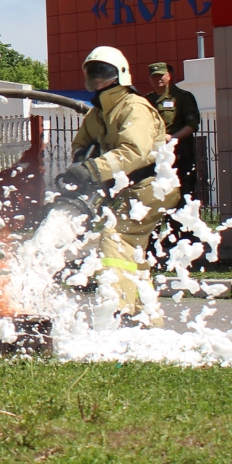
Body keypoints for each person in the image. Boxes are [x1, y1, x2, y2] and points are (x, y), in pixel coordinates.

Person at [54, 45, 179, 326]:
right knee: (131, 248)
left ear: (120, 74)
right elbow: (82, 143)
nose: (98, 79)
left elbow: (135, 152)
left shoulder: (134, 107)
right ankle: (145, 314)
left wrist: (92, 169)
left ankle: (122, 310)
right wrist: (80, 163)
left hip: (150, 186)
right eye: (93, 73)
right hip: (129, 190)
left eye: (104, 73)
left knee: (115, 238)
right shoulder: (98, 113)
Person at [144, 61, 201, 201]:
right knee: (155, 195)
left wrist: (173, 137)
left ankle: (182, 222)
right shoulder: (146, 100)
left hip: (179, 155)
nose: (158, 79)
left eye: (161, 75)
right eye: (154, 76)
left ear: (169, 76)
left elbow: (192, 124)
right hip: (154, 156)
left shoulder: (182, 97)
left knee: (182, 195)